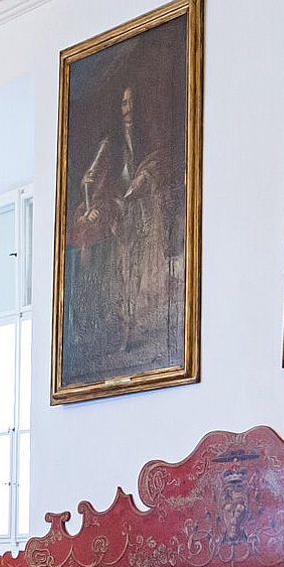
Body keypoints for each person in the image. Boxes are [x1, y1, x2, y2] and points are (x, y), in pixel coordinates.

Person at [67, 84, 184, 374]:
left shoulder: (146, 137)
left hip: (143, 212)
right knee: (122, 272)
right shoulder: (113, 144)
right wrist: (93, 198)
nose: (127, 109)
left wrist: (144, 177)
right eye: (123, 104)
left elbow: (157, 162)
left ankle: (134, 327)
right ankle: (125, 328)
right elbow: (93, 178)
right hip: (121, 213)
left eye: (131, 103)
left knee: (139, 271)